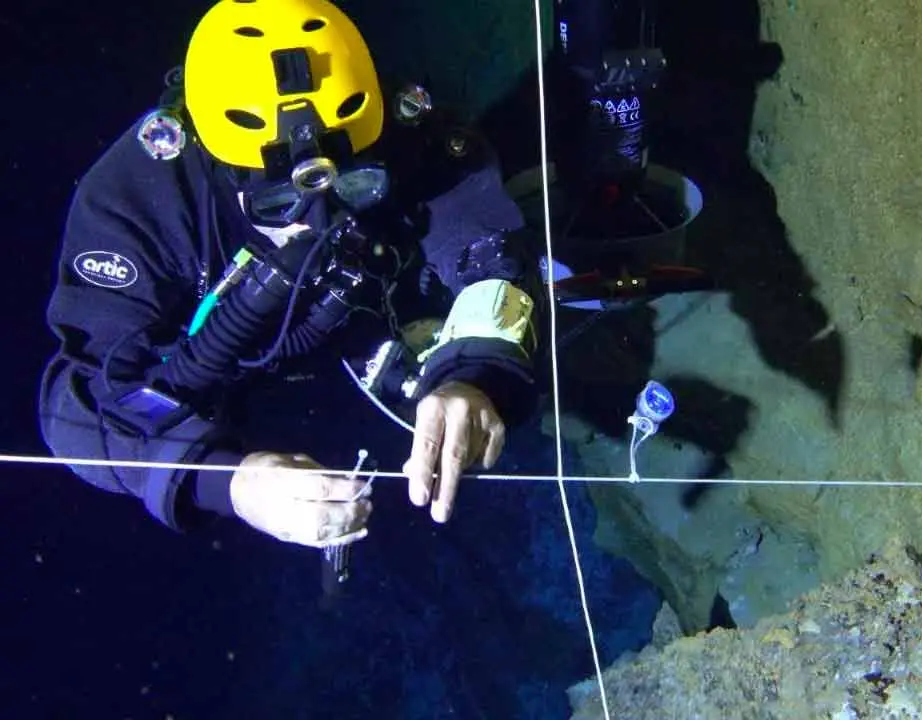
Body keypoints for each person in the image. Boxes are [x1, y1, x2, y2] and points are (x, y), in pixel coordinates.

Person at [37, 0, 543, 549]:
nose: (317, 217)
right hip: (218, 362)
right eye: (279, 203)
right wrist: (230, 482)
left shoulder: (402, 131)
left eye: (351, 185)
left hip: (370, 307)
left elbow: (489, 252)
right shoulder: (136, 201)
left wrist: (474, 371)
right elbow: (80, 405)